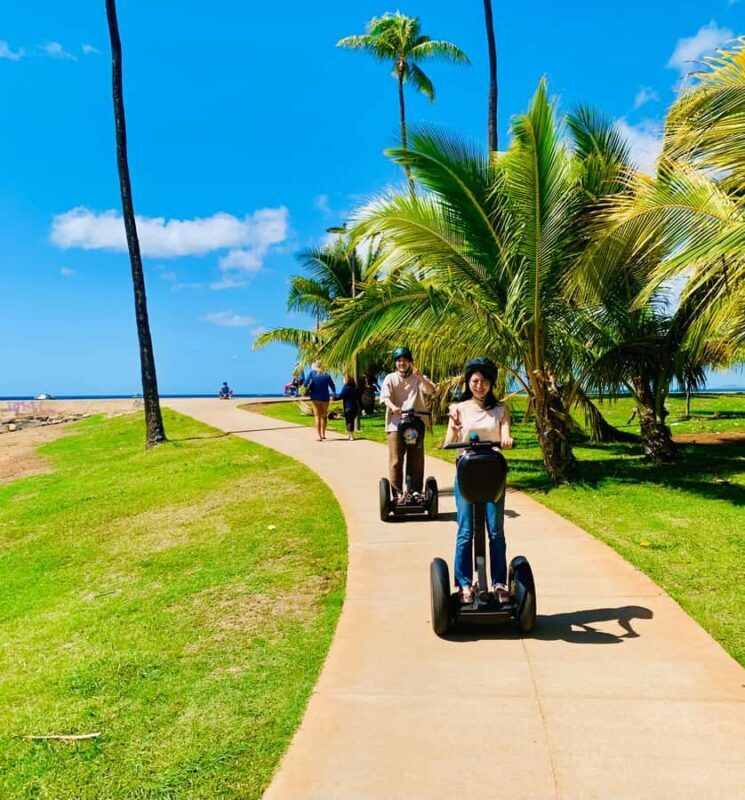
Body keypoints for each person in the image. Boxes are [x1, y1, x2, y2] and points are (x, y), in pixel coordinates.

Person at [444, 358, 513, 605]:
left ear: (491, 383)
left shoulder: (500, 410)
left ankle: (499, 583)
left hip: (493, 474)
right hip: (467, 473)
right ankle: (464, 583)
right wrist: (454, 428)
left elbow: (505, 434)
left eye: (484, 380)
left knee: (495, 531)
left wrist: (506, 440)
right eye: (474, 380)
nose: (479, 385)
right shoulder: (458, 408)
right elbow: (448, 441)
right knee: (465, 531)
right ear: (468, 382)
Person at [379, 347, 436, 498]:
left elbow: (432, 390)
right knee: (396, 460)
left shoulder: (417, 376)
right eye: (398, 361)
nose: (401, 363)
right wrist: (393, 407)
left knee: (416, 458)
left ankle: (415, 491)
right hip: (396, 424)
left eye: (404, 360)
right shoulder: (390, 378)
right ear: (395, 363)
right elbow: (385, 398)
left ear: (410, 362)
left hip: (415, 423)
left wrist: (420, 377)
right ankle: (397, 493)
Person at [305, 361, 336, 441]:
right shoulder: (326, 374)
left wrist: (309, 386)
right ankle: (323, 434)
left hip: (315, 397)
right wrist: (334, 393)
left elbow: (305, 384)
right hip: (325, 397)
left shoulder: (312, 373)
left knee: (317, 416)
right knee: (324, 416)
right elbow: (332, 385)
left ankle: (318, 436)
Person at [337, 376, 361, 440]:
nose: (343, 381)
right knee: (351, 421)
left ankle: (351, 435)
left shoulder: (345, 388)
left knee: (348, 421)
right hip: (355, 407)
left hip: (348, 407)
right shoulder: (355, 389)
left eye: (344, 380)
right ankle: (350, 435)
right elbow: (359, 398)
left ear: (347, 381)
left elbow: (340, 396)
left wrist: (334, 398)